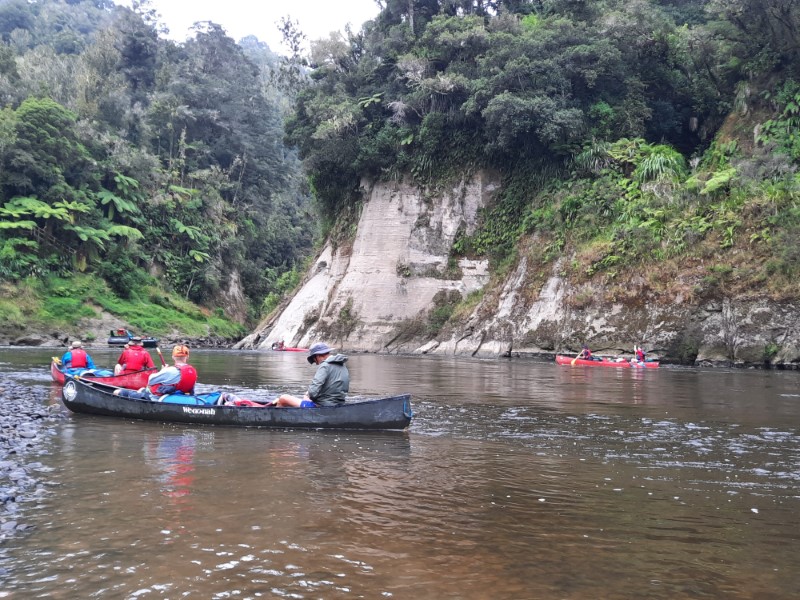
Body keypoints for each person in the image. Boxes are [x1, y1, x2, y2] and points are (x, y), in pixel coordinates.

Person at [274, 342, 349, 407]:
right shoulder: (342, 365)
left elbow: (313, 393)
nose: (316, 363)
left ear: (318, 356)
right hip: (339, 404)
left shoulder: (325, 366)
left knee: (283, 398)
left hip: (322, 406)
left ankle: (276, 420)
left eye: (314, 359)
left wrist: (308, 396)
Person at [114, 344, 197, 400]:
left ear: (173, 357)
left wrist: (163, 371)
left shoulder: (170, 371)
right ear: (187, 357)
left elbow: (150, 380)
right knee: (141, 390)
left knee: (117, 392)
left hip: (156, 398)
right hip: (177, 395)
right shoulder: (192, 370)